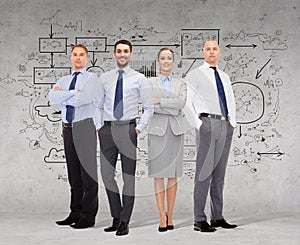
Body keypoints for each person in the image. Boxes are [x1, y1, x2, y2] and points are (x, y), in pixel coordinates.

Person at [95, 39, 154, 236]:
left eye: (126, 51)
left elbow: (149, 108)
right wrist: (99, 127)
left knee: (128, 177)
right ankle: (116, 215)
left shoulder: (139, 79)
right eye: (119, 51)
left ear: (130, 54)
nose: (122, 54)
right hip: (107, 130)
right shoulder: (104, 78)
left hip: (128, 129)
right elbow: (98, 105)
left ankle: (125, 221)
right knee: (106, 175)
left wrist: (138, 129)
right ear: (114, 54)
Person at [185, 40, 238, 232]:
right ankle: (199, 219)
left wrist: (233, 122)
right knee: (203, 173)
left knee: (219, 174)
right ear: (203, 53)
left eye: (214, 49)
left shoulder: (224, 76)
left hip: (225, 124)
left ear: (220, 52)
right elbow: (186, 102)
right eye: (208, 49)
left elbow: (230, 99)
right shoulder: (194, 75)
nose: (211, 52)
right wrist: (199, 124)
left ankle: (218, 216)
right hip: (207, 123)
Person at [49, 44, 99, 229]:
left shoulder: (92, 79)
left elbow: (83, 99)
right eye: (75, 54)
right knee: (74, 175)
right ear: (71, 57)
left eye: (82, 55)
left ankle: (88, 216)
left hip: (84, 127)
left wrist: (65, 95)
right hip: (67, 128)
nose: (78, 58)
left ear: (87, 58)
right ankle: (75, 212)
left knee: (88, 175)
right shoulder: (64, 79)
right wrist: (72, 93)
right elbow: (52, 97)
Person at [147, 48, 187, 232]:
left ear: (173, 62)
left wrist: (160, 101)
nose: (165, 61)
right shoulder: (149, 82)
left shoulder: (181, 83)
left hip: (176, 132)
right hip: (157, 132)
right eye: (162, 58)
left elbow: (181, 104)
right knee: (158, 174)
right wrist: (171, 103)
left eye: (169, 58)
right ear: (158, 61)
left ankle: (170, 215)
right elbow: (149, 104)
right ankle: (161, 215)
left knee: (173, 174)